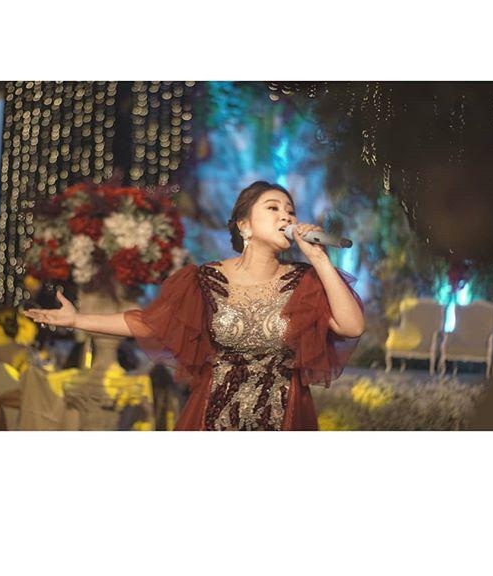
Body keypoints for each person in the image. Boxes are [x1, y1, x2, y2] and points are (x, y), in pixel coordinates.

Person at [23, 181, 364, 430]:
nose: (286, 216)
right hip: (213, 415)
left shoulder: (304, 281)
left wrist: (319, 259)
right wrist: (77, 320)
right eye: (273, 207)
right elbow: (148, 323)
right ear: (244, 225)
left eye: (290, 210)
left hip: (283, 416)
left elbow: (351, 326)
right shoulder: (205, 279)